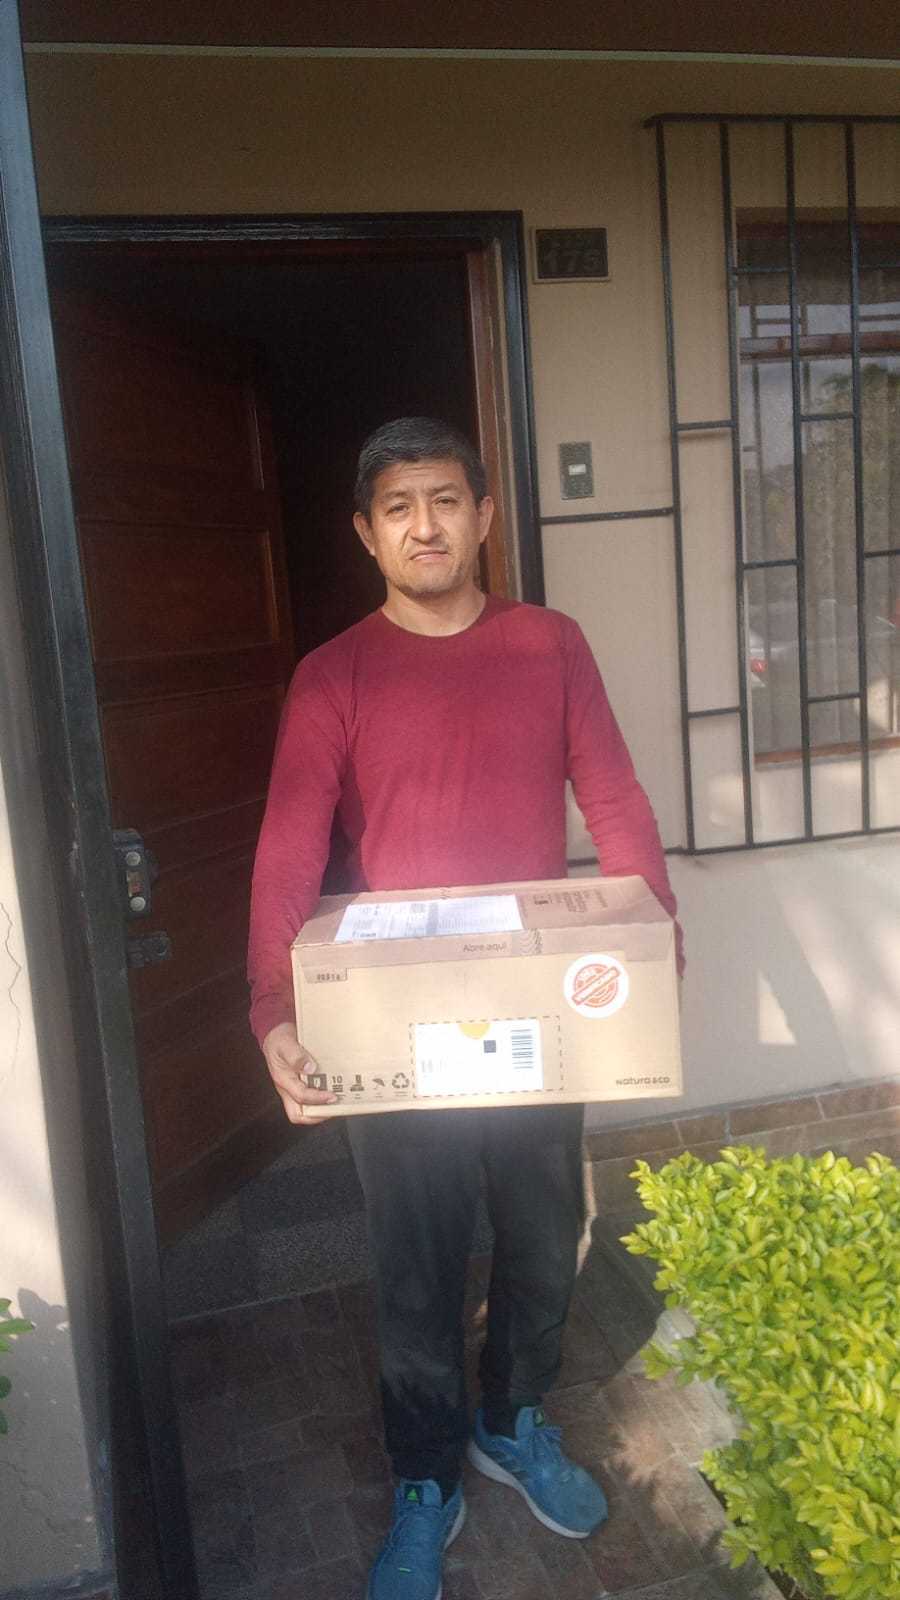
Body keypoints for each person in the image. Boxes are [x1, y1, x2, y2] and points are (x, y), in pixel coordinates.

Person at [248, 416, 682, 1600]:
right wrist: (272, 1006)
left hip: (537, 1014)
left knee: (545, 1235)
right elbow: (289, 844)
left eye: (445, 500)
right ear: (366, 532)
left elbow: (616, 798)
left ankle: (512, 1417)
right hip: (402, 1025)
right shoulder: (334, 673)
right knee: (418, 1263)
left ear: (484, 515)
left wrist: (657, 951)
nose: (425, 525)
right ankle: (425, 1472)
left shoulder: (549, 645)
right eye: (398, 507)